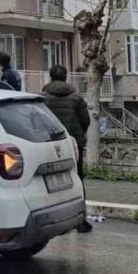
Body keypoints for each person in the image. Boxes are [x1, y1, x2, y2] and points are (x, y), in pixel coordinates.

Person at [42, 64, 93, 234]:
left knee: (50, 181)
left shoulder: (42, 98)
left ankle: (53, 220)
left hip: (49, 144)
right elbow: (86, 121)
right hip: (73, 144)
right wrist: (78, 136)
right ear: (66, 77)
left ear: (50, 77)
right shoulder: (76, 98)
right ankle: (81, 221)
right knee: (77, 179)